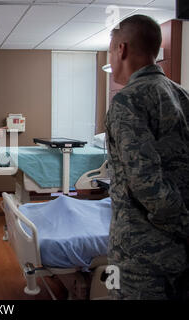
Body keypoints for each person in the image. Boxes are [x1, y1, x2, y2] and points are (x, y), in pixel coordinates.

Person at [106, 14, 189, 299]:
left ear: (122, 49)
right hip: (179, 254)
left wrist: (182, 224)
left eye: (110, 51)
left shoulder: (127, 100)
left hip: (141, 256)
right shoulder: (182, 95)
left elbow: (146, 184)